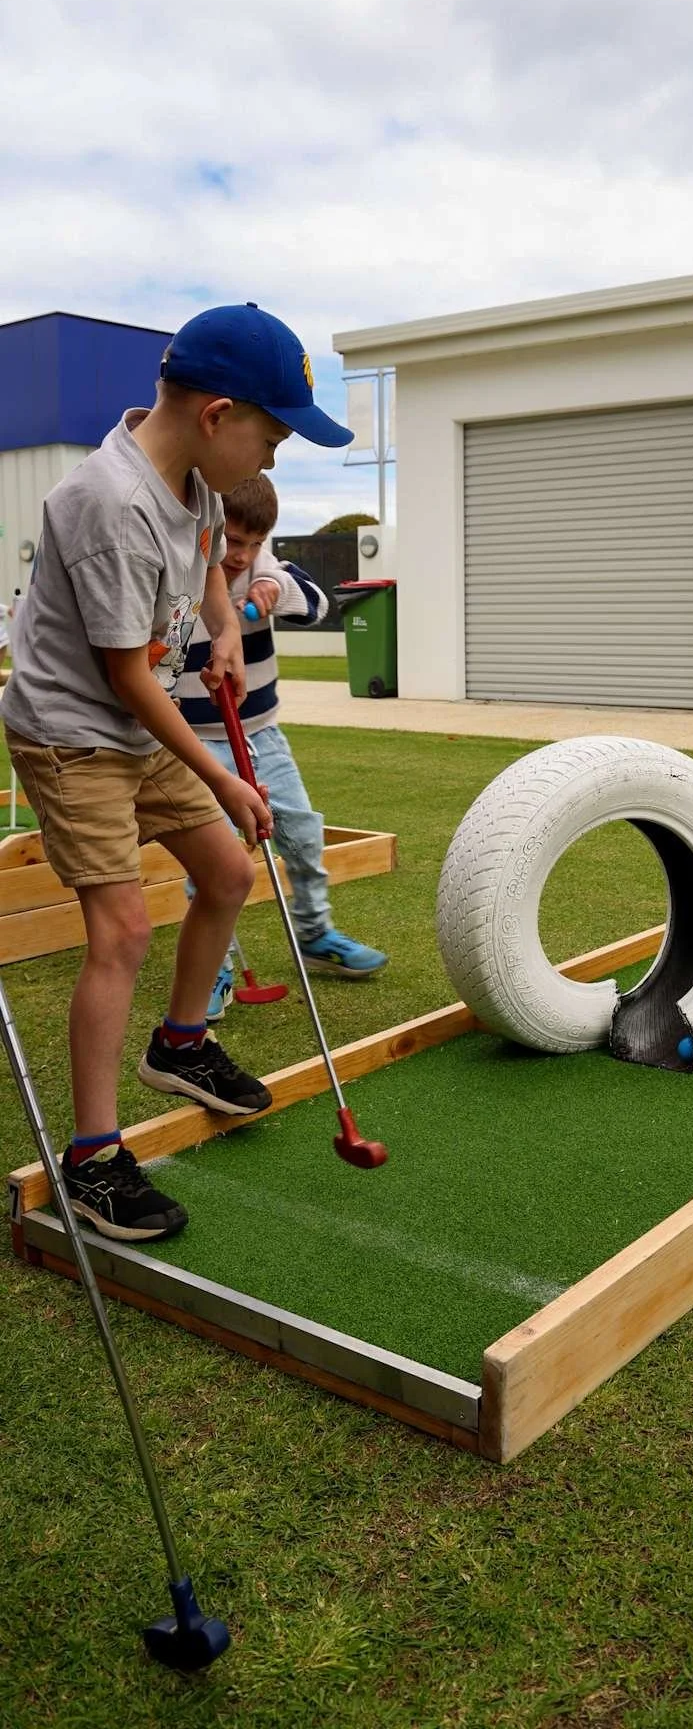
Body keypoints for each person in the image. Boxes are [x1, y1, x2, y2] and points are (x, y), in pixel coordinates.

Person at [1, 302, 354, 1242]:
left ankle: (181, 1045)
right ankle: (93, 1159)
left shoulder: (192, 484)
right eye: (273, 437)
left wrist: (228, 627)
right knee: (119, 930)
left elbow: (204, 565)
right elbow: (125, 679)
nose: (273, 458)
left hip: (132, 720)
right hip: (73, 732)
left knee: (230, 874)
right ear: (218, 414)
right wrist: (226, 779)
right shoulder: (109, 506)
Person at [176, 473, 387, 1021]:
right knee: (214, 860)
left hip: (262, 734)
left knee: (302, 831)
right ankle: (212, 968)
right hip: (198, 744)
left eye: (253, 543)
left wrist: (272, 589)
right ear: (210, 531)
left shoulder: (266, 573)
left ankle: (316, 934)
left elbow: (316, 605)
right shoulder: (178, 582)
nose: (241, 556)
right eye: (231, 543)